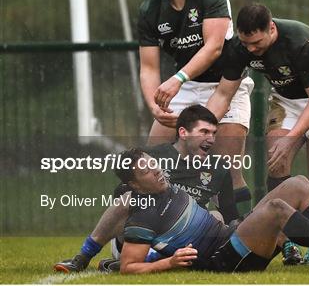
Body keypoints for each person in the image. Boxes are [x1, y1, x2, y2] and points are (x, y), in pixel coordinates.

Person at [206, 3, 309, 265]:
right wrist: (202, 126)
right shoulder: (241, 47)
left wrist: (292, 137)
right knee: (276, 161)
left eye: (257, 43)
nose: (251, 50)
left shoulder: (300, 43)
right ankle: (287, 243)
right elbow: (224, 93)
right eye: (246, 43)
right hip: (286, 99)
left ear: (271, 28)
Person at [115, 148, 309, 274]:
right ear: (133, 184)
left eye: (152, 162)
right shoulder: (143, 215)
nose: (155, 169)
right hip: (223, 259)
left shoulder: (167, 185)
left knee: (298, 184)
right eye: (145, 170)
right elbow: (128, 267)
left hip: (233, 237)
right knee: (276, 208)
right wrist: (170, 263)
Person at [137, 0, 254, 212]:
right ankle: (146, 234)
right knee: (151, 164)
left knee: (226, 170)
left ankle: (243, 238)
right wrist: (154, 106)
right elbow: (149, 67)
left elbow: (213, 48)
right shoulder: (150, 9)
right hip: (188, 87)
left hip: (225, 84)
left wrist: (177, 79)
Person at [54, 105, 240, 273]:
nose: (211, 139)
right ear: (183, 133)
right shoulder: (151, 157)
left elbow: (230, 214)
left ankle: (148, 262)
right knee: (128, 199)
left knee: (217, 217)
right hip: (138, 238)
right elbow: (120, 193)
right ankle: (83, 258)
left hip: (184, 243)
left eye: (214, 133)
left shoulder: (219, 168)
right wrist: (161, 205)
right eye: (204, 132)